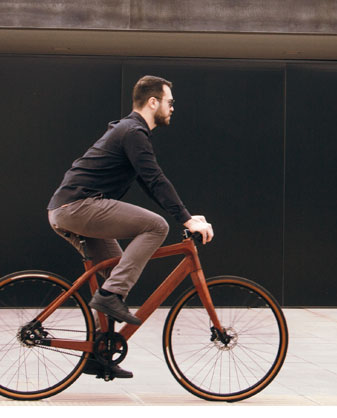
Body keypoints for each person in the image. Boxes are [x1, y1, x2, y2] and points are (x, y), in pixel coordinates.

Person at [47, 75, 213, 379]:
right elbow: (155, 179)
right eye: (170, 102)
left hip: (70, 208)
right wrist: (186, 219)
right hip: (78, 206)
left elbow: (150, 185)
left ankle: (98, 354)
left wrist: (186, 213)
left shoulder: (130, 132)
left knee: (113, 271)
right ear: (153, 102)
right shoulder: (133, 132)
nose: (173, 108)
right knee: (155, 226)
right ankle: (110, 296)